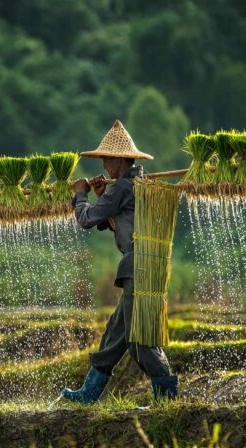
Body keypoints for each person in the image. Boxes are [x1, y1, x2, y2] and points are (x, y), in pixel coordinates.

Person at [59, 120, 178, 404]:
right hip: (145, 265)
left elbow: (87, 219)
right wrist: (103, 196)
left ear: (119, 159)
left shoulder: (124, 187)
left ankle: (167, 399)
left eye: (106, 158)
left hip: (138, 266)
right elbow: (120, 223)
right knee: (116, 332)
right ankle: (89, 393)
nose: (103, 162)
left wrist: (81, 194)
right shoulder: (137, 183)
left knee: (140, 339)